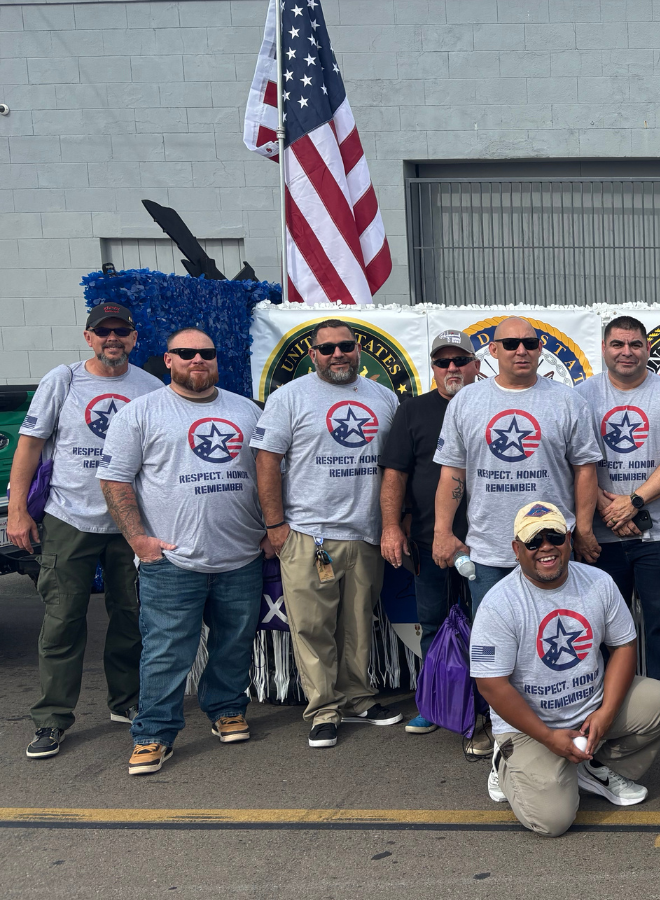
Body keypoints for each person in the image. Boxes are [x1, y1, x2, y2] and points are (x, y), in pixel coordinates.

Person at [97, 328, 268, 775]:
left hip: (242, 555)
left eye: (206, 353)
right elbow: (114, 480)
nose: (198, 360)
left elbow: (271, 473)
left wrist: (271, 528)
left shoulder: (246, 410)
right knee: (167, 652)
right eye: (186, 353)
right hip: (172, 560)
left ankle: (227, 709)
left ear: (216, 360)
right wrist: (139, 539)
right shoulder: (140, 413)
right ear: (168, 360)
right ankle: (153, 734)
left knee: (234, 644)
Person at [471, 501, 660, 837]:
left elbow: (624, 646)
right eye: (533, 541)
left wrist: (607, 713)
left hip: (589, 711)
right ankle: (508, 761)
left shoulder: (598, 582)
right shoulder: (499, 604)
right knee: (553, 821)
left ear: (569, 539)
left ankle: (589, 767)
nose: (546, 548)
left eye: (554, 536)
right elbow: (491, 685)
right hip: (531, 727)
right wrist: (547, 737)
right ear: (516, 549)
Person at [11, 302, 163, 760]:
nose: (112, 338)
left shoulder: (151, 387)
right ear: (88, 336)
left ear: (135, 339)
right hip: (69, 517)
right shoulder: (64, 380)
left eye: (121, 331)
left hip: (129, 522)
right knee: (62, 621)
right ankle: (53, 719)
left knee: (130, 616)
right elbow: (30, 445)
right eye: (103, 331)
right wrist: (18, 511)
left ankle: (126, 702)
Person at [251, 318, 403, 748]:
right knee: (313, 627)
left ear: (358, 350)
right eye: (328, 348)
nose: (338, 354)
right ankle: (323, 708)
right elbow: (266, 461)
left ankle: (358, 697)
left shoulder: (383, 397)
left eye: (346, 346)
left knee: (358, 624)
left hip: (366, 533)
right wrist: (275, 524)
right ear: (313, 355)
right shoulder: (289, 398)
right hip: (309, 534)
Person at [433, 317, 601, 611]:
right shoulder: (465, 401)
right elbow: (452, 473)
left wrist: (584, 531)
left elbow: (585, 469)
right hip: (488, 553)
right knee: (495, 647)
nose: (521, 350)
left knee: (554, 638)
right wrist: (442, 532)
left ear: (540, 349)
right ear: (493, 351)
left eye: (530, 343)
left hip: (552, 547)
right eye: (511, 344)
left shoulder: (568, 401)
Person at [577, 316, 660, 702]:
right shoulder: (580, 396)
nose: (626, 352)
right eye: (618, 344)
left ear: (647, 348)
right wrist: (606, 507)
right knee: (600, 625)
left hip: (656, 531)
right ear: (604, 348)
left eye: (634, 345)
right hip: (597, 535)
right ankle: (606, 702)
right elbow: (571, 460)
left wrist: (632, 502)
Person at [378, 329, 481, 738]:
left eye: (460, 360)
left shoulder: (493, 405)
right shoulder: (413, 411)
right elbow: (395, 473)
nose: (452, 368)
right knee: (433, 623)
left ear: (476, 365)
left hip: (489, 542)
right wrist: (390, 526)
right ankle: (436, 702)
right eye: (444, 361)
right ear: (433, 368)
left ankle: (486, 703)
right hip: (429, 539)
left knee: (490, 624)